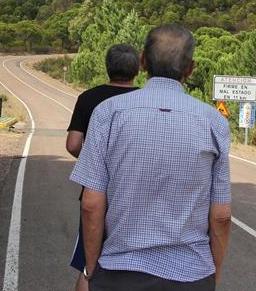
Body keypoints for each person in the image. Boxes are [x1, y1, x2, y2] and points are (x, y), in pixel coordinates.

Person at [70, 24, 232, 290]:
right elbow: (221, 216)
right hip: (191, 273)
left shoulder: (107, 113)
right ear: (191, 68)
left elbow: (91, 205)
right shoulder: (213, 122)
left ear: (143, 61)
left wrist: (90, 270)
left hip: (118, 272)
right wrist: (212, 275)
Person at [66, 43, 140, 291]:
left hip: (96, 191)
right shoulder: (143, 100)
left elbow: (73, 143)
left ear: (107, 67)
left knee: (89, 265)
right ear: (138, 69)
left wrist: (92, 162)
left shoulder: (88, 98)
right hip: (135, 191)